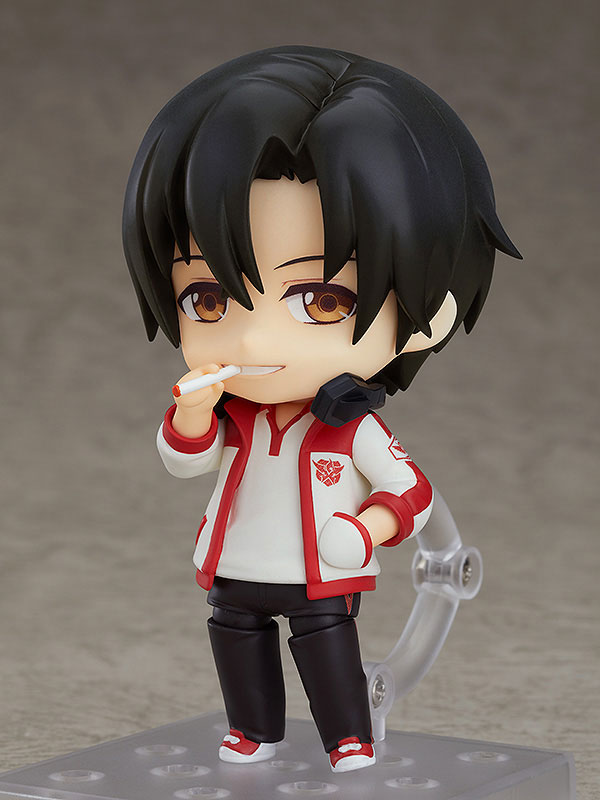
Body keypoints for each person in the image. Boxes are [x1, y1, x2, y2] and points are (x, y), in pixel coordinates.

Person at [122, 45, 520, 773]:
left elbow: (411, 493)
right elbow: (186, 461)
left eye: (321, 300)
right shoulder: (234, 412)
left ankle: (347, 736)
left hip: (321, 570)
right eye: (206, 299)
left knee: (326, 646)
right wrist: (193, 412)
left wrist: (364, 529)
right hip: (235, 562)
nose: (253, 337)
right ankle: (253, 728)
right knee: (234, 637)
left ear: (427, 315)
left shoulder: (353, 423)